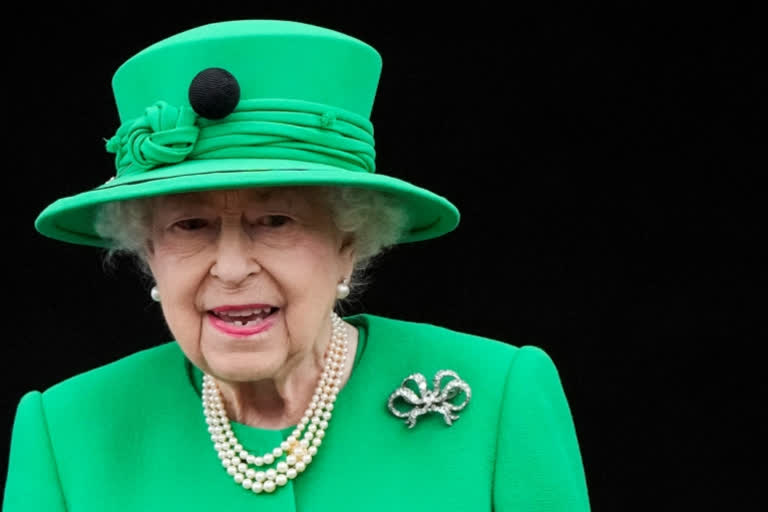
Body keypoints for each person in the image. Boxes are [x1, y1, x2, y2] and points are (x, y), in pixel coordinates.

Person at [3, 19, 590, 511]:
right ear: (149, 254)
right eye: (190, 225)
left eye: (276, 221)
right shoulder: (65, 432)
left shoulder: (499, 397)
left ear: (349, 242)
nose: (231, 268)